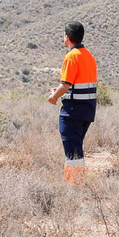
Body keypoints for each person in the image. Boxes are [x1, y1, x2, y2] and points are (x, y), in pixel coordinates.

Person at [47, 21, 98, 184]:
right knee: (76, 146)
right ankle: (76, 182)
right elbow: (76, 84)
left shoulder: (71, 56)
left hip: (73, 111)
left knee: (72, 150)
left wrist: (54, 97)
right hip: (87, 110)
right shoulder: (89, 56)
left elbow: (66, 84)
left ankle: (74, 184)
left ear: (67, 38)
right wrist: (60, 91)